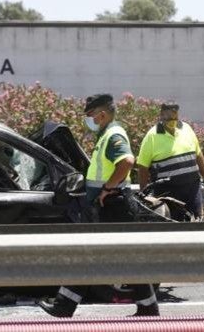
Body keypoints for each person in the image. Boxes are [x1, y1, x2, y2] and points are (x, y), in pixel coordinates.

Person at [36, 93, 159, 317]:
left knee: (89, 253)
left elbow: (127, 162)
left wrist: (108, 188)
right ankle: (148, 307)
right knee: (124, 257)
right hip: (111, 205)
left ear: (102, 114)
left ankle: (65, 305)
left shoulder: (113, 135)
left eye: (91, 115)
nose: (89, 120)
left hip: (114, 205)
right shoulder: (106, 135)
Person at [136, 102, 204, 220]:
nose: (172, 120)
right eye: (169, 117)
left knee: (198, 221)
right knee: (173, 227)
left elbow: (198, 155)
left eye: (175, 117)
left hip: (192, 188)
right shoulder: (151, 136)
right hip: (168, 193)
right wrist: (143, 192)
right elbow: (142, 166)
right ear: (161, 115)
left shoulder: (186, 129)